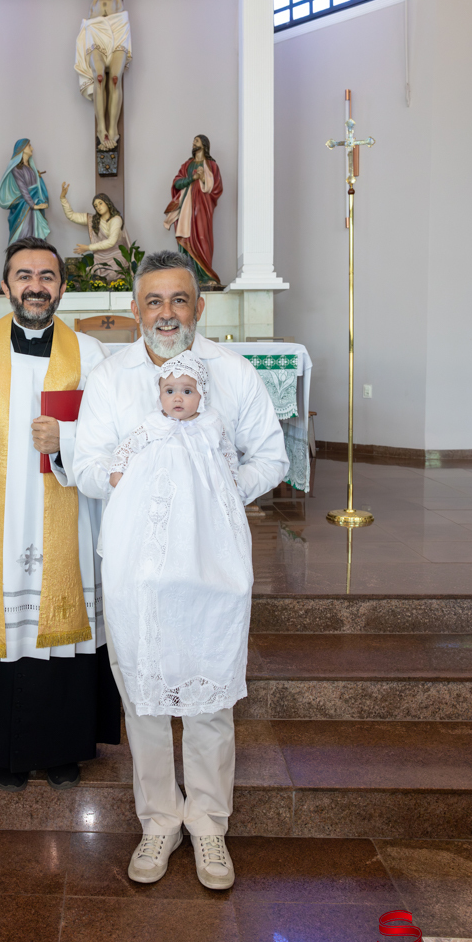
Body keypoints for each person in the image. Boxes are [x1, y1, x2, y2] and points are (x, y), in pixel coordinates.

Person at [74, 251, 288, 890]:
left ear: (200, 306)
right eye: (154, 301)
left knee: (210, 696)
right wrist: (134, 480)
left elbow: (271, 456)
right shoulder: (111, 378)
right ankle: (159, 820)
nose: (166, 314)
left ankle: (209, 824)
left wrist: (216, 493)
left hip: (209, 565)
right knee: (143, 699)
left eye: (179, 300)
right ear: (135, 309)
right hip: (136, 568)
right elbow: (85, 466)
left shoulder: (233, 373)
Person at [0, 239, 120, 790]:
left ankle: (64, 747)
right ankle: (6, 749)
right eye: (24, 275)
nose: (36, 286)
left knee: (63, 625)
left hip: (67, 506)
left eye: (47, 276)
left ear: (62, 287)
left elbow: (113, 433)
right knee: (5, 625)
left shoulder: (91, 354)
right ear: (5, 286)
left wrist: (66, 439)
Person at [101, 351, 252, 724]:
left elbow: (228, 456)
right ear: (159, 395)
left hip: (203, 509)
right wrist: (119, 473)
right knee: (154, 559)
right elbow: (126, 448)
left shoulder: (212, 425)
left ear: (202, 395)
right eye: (170, 391)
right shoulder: (153, 424)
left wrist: (231, 486)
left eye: (187, 391)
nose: (178, 398)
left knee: (220, 569)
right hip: (162, 505)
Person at [1, 0, 215, 151]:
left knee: (114, 78)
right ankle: (101, 129)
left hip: (118, 24)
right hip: (95, 25)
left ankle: (113, 129)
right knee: (99, 77)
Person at [164, 134, 223, 289]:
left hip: (203, 207)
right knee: (186, 238)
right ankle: (187, 277)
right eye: (193, 141)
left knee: (202, 237)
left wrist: (203, 178)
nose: (193, 143)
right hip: (187, 207)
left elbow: (216, 188)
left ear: (204, 144)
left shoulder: (212, 165)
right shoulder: (187, 165)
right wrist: (193, 178)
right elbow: (177, 183)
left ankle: (206, 276)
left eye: (196, 141)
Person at [60, 183, 131, 281]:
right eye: (95, 206)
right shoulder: (93, 220)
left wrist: (88, 247)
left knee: (113, 274)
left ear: (107, 203)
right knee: (90, 274)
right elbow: (71, 216)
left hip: (116, 255)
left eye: (100, 203)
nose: (98, 207)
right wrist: (63, 198)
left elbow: (111, 242)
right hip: (100, 257)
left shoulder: (116, 219)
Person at [0, 139, 51, 244]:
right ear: (23, 148)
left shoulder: (31, 169)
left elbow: (37, 187)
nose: (32, 148)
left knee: (36, 237)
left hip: (35, 205)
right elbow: (23, 189)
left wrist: (40, 201)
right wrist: (33, 205)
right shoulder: (17, 169)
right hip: (24, 207)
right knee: (24, 235)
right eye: (29, 146)